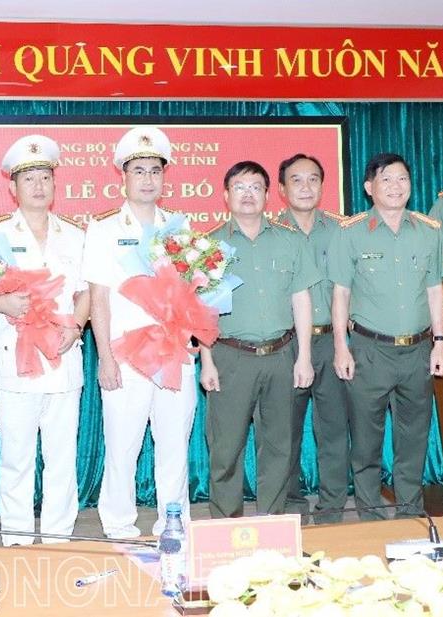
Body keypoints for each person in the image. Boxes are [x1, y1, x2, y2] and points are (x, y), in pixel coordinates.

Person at [0, 135, 89, 546]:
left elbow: (85, 292)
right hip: (15, 362)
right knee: (16, 457)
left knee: (61, 457)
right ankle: (18, 539)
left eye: (45, 177)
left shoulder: (75, 234)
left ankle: (58, 538)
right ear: (13, 187)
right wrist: (1, 303)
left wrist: (76, 326)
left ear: (55, 183)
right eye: (29, 179)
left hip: (62, 357)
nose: (39, 186)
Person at [82, 126, 194, 538]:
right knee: (122, 445)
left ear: (165, 177)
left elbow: (192, 291)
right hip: (126, 355)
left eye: (155, 171)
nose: (148, 179)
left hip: (173, 351)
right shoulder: (104, 228)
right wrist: (106, 359)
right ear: (123, 177)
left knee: (174, 444)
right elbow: (98, 298)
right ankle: (118, 524)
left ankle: (173, 522)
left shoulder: (179, 228)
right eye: (139, 171)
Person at [329, 153, 443, 520]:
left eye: (402, 179)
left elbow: (435, 291)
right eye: (386, 179)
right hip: (369, 350)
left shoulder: (429, 230)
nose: (396, 187)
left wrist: (440, 343)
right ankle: (369, 513)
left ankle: (410, 512)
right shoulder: (349, 232)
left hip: (417, 351)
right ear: (369, 187)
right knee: (366, 439)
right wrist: (341, 348)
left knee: (413, 438)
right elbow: (341, 294)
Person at [200, 160, 319, 518]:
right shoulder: (209, 245)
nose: (248, 194)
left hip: (281, 355)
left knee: (279, 447)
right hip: (230, 358)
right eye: (239, 187)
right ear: (226, 195)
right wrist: (206, 362)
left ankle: (272, 523)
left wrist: (304, 357)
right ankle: (226, 524)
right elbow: (202, 309)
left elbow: (302, 300)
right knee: (225, 449)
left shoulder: (290, 241)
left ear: (268, 194)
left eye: (255, 187)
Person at [275, 154, 351, 523]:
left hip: (332, 342)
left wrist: (344, 344)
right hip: (286, 345)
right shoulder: (271, 232)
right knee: (284, 431)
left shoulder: (341, 230)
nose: (305, 187)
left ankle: (332, 506)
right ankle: (291, 503)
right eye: (296, 180)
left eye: (313, 179)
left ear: (322, 185)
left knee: (334, 429)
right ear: (281, 189)